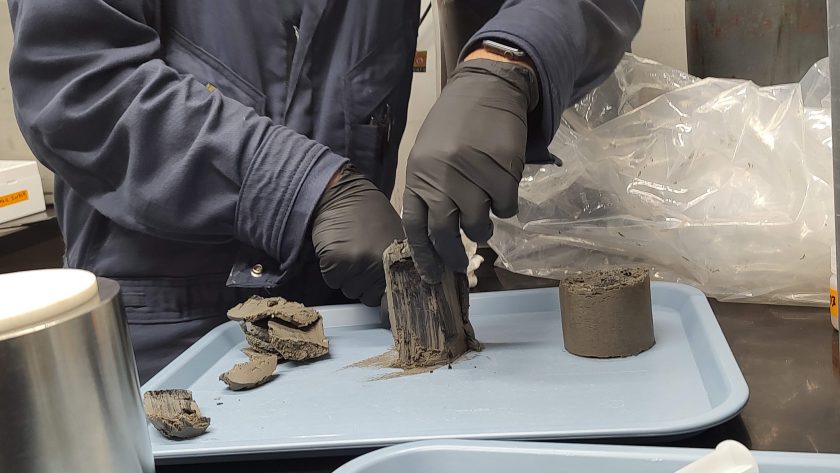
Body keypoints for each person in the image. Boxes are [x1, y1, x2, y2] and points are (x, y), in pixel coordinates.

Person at [7, 0, 644, 383]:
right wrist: (305, 189)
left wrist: (509, 61)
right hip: (173, 336)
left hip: (356, 322)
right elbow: (79, 84)